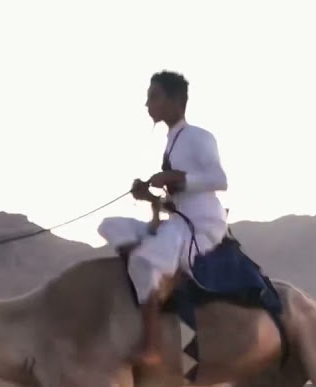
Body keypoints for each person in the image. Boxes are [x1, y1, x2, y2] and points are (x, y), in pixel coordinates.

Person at [98, 70, 229, 367]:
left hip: (200, 226)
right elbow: (174, 200)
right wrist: (148, 198)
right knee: (110, 225)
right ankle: (156, 277)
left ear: (176, 101)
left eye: (154, 97)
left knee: (143, 259)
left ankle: (151, 345)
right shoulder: (171, 141)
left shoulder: (199, 136)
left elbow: (219, 179)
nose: (147, 105)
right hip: (176, 222)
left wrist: (173, 176)